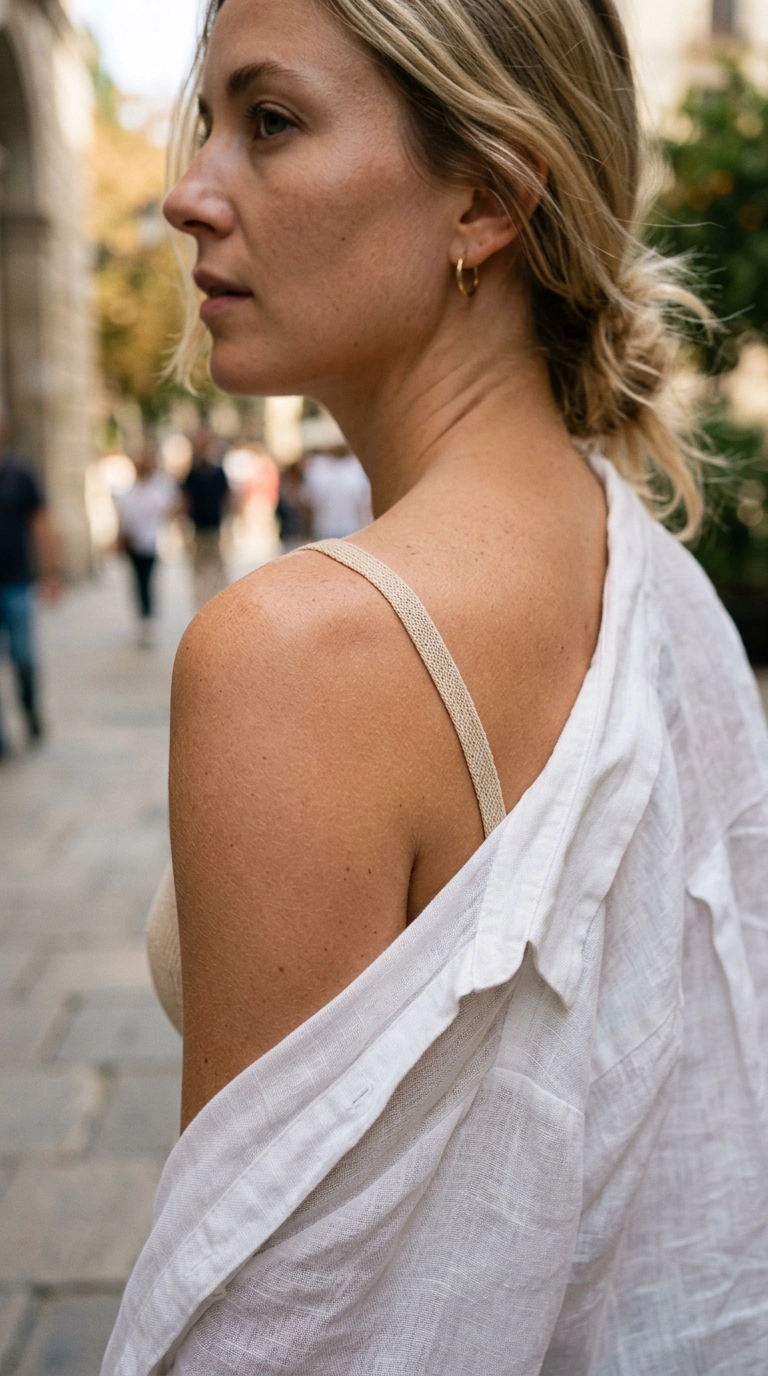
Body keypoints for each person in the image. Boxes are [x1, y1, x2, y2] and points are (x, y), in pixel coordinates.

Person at [104, 0, 768, 1371]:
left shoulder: (299, 653)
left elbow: (262, 1338)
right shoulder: (653, 573)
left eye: (270, 121)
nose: (187, 193)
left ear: (485, 199)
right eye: (207, 119)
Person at [0, 407, 61, 755]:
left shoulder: (20, 474)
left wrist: (50, 572)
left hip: (17, 583)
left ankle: (29, 709)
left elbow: (41, 524)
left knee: (23, 656)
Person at [115, 442, 177, 647]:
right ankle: (143, 619)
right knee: (137, 582)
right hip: (134, 544)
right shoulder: (129, 491)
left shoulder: (160, 488)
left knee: (148, 582)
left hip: (152, 543)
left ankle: (148, 620)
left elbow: (170, 511)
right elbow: (124, 517)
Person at [181, 425, 232, 608]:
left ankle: (218, 606)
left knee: (219, 571)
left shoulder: (218, 472)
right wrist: (184, 531)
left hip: (215, 528)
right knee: (199, 572)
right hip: (198, 529)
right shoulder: (192, 474)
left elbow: (227, 500)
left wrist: (230, 528)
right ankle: (202, 606)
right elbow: (185, 502)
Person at [301, 447, 372, 540]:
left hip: (353, 528)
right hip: (325, 529)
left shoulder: (357, 466)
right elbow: (308, 502)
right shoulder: (316, 466)